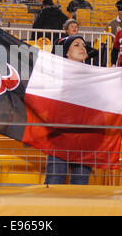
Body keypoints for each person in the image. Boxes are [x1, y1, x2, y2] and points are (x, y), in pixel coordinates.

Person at [46, 34, 92, 185]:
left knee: (80, 184)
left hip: (85, 138)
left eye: (84, 45)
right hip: (60, 136)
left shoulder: (95, 75)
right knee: (54, 181)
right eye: (77, 45)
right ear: (66, 52)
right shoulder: (54, 76)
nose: (82, 48)